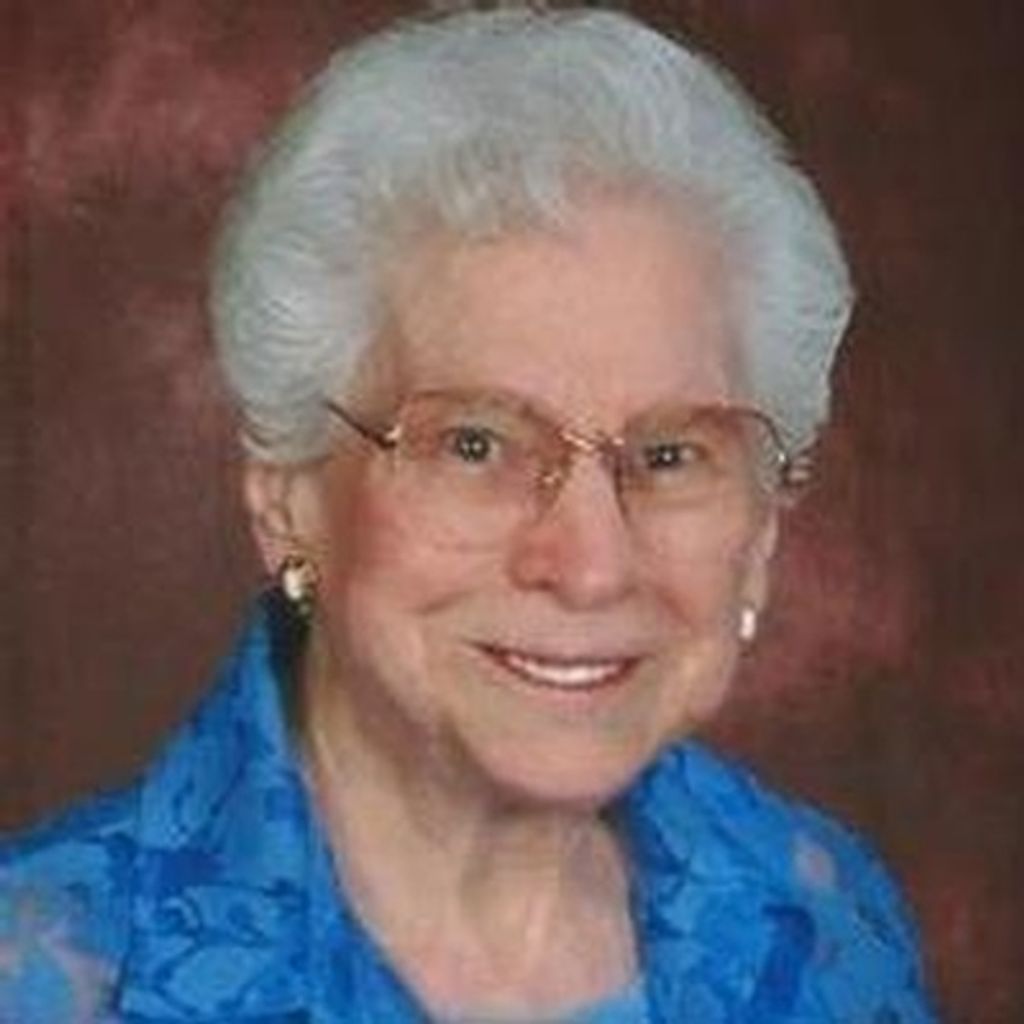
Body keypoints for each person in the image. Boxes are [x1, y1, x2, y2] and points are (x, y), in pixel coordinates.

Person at [1, 6, 937, 1022]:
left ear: (760, 529)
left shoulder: (826, 924)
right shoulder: (49, 975)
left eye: (671, 455)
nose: (590, 565)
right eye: (476, 446)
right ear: (288, 497)